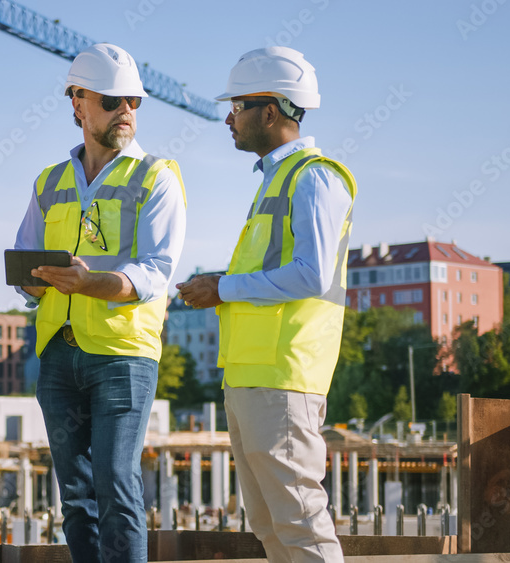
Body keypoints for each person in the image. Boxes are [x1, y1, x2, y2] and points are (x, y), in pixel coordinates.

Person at [176, 46, 356, 563]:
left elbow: (312, 274)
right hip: (253, 376)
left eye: (236, 107)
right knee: (272, 527)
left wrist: (222, 287)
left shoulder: (314, 176)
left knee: (300, 524)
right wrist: (219, 285)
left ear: (270, 111)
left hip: (284, 376)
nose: (229, 118)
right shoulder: (276, 180)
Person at [14, 43, 187, 563]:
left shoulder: (156, 176)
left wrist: (88, 284)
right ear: (78, 103)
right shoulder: (50, 181)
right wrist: (34, 282)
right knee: (76, 493)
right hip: (58, 353)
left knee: (117, 482)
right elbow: (24, 265)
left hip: (122, 354)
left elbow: (155, 272)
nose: (126, 112)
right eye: (113, 101)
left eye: (133, 101)